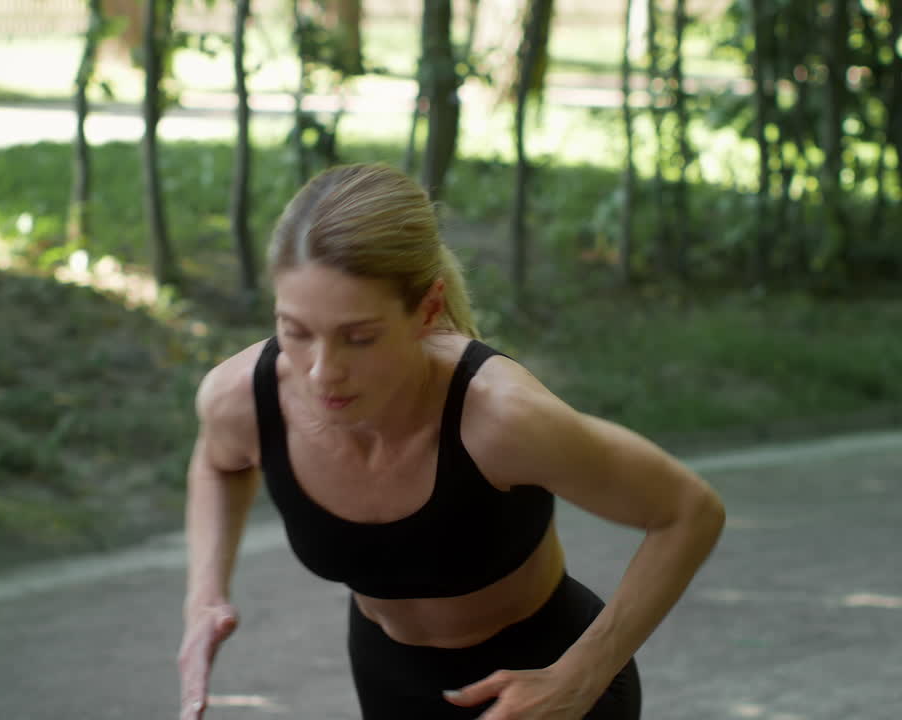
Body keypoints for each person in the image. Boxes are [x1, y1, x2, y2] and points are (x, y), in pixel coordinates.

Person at [177, 163, 726, 719]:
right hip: (387, 683)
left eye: (359, 338)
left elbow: (688, 512)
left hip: (543, 688)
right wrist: (204, 596)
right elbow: (219, 462)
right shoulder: (241, 397)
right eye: (295, 331)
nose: (321, 373)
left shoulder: (500, 417)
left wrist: (580, 677)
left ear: (429, 310)